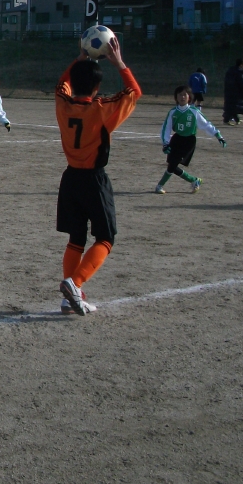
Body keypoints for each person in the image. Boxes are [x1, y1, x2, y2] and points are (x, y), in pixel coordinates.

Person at [55, 38, 141, 316]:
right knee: (106, 237)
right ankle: (75, 283)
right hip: (94, 180)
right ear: (96, 87)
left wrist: (79, 59)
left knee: (76, 237)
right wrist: (119, 62)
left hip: (70, 179)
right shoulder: (101, 109)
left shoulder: (63, 104)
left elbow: (61, 85)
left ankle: (70, 298)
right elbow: (134, 92)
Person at [155, 86, 225, 194]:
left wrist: (218, 135)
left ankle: (159, 185)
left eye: (184, 95)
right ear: (176, 97)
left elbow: (206, 124)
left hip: (189, 141)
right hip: (176, 139)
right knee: (172, 165)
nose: (182, 97)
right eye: (180, 95)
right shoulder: (173, 112)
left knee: (173, 164)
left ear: (189, 97)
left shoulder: (194, 111)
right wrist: (165, 143)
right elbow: (166, 128)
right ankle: (194, 180)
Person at [222, 59, 243, 126]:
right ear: (241, 64)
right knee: (233, 106)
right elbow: (241, 83)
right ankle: (226, 120)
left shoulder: (229, 71)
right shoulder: (239, 73)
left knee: (231, 106)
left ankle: (236, 119)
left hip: (228, 91)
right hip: (236, 92)